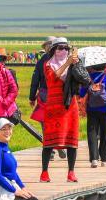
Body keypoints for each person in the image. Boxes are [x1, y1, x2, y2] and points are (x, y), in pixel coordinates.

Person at [30, 38, 88, 182]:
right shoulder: (48, 64)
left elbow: (82, 80)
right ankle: (44, 172)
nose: (63, 51)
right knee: (49, 140)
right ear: (53, 50)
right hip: (53, 105)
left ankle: (71, 172)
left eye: (66, 48)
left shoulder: (72, 63)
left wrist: (76, 64)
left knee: (72, 139)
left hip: (70, 105)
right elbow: (52, 78)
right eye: (60, 48)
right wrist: (67, 63)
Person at [80, 61, 106, 166]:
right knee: (105, 133)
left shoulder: (88, 77)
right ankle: (104, 159)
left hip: (92, 109)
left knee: (92, 133)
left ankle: (94, 159)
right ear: (105, 65)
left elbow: (82, 93)